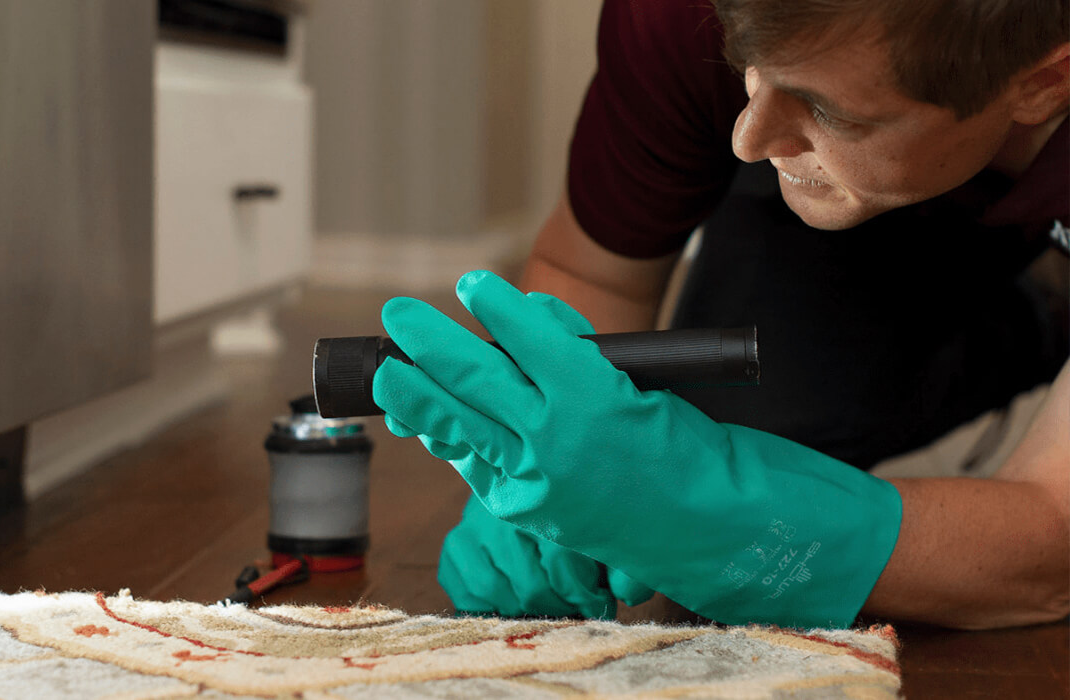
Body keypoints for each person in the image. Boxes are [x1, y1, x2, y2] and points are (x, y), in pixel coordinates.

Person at [374, 0, 1068, 630]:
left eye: (830, 111)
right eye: (749, 68)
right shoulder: (678, 14)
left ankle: (1045, 303)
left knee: (737, 494)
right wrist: (548, 465)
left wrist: (722, 511)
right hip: (856, 212)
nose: (747, 137)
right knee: (739, 418)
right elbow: (593, 272)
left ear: (1044, 82)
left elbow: (1054, 547)